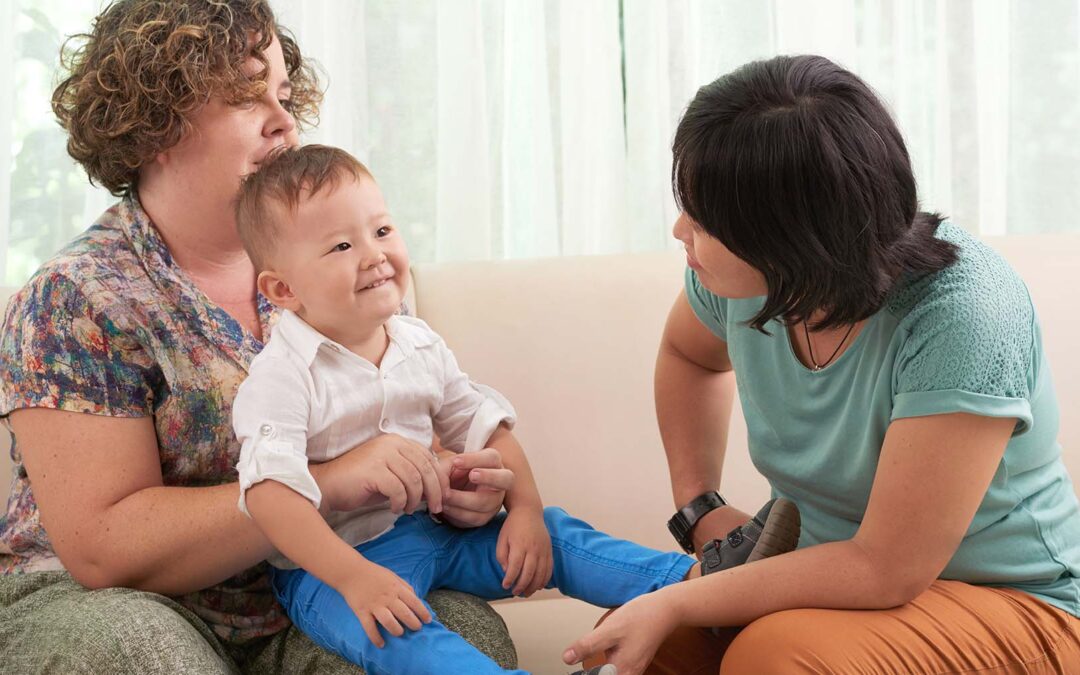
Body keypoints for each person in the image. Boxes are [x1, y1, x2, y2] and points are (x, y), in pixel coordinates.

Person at [0, 2, 519, 672]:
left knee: (462, 632)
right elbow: (104, 547)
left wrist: (448, 485)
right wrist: (327, 485)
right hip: (108, 605)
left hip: (298, 590)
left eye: (281, 92)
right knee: (144, 652)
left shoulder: (334, 262)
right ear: (153, 123)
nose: (285, 118)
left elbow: (410, 427)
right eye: (248, 98)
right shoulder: (77, 296)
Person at [564, 55, 1080, 674]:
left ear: (788, 238)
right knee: (635, 650)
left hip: (1015, 600)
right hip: (841, 576)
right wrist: (697, 503)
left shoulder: (964, 314)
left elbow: (886, 568)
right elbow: (688, 355)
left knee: (772, 659)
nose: (680, 232)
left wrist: (681, 600)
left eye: (702, 220)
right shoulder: (742, 281)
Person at [231, 143, 706, 675]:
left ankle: (701, 581)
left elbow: (488, 428)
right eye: (342, 245)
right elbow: (270, 496)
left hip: (433, 533)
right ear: (283, 289)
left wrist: (523, 510)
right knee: (397, 635)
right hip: (330, 568)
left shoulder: (417, 343)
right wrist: (352, 578)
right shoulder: (281, 376)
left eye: (382, 231)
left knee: (554, 532)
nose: (374, 254)